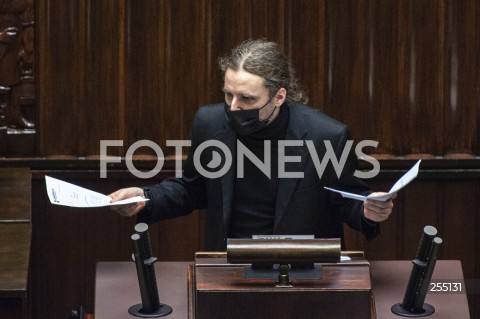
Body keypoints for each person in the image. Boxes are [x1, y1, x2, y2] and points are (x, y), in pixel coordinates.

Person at [109, 39, 396, 251]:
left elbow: (347, 199)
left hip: (304, 270)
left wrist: (368, 212)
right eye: (228, 95)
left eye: (247, 99)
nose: (234, 108)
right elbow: (192, 189)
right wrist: (146, 196)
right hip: (228, 266)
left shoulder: (327, 135)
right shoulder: (209, 123)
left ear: (279, 96)